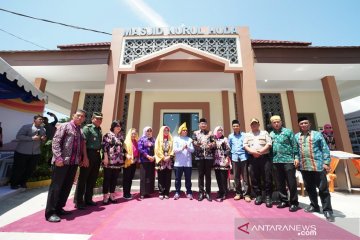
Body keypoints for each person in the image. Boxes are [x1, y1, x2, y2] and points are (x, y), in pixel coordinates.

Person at [45, 109, 88, 223]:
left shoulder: (80, 131)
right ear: (74, 115)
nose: (80, 118)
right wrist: (58, 157)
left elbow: (80, 146)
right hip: (62, 162)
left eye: (82, 117)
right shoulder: (64, 126)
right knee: (56, 187)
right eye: (78, 115)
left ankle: (59, 208)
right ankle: (50, 212)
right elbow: (56, 142)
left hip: (73, 163)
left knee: (67, 186)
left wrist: (81, 159)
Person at [295, 117, 335, 222]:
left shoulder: (317, 135)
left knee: (323, 189)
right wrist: (296, 159)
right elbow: (296, 151)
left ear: (309, 124)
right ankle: (314, 205)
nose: (303, 125)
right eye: (301, 123)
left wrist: (326, 163)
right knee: (310, 188)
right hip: (304, 167)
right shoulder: (297, 136)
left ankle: (327, 210)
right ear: (299, 125)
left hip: (318, 166)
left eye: (305, 123)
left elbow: (325, 149)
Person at [269, 115, 299, 212]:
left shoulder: (288, 132)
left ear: (281, 122)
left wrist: (296, 157)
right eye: (274, 122)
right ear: (271, 124)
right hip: (276, 161)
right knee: (280, 183)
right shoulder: (271, 134)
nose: (276, 124)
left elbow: (294, 145)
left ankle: (294, 202)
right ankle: (284, 200)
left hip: (288, 160)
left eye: (278, 122)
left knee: (291, 183)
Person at [74, 112, 103, 209]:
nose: (99, 120)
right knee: (83, 178)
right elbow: (83, 144)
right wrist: (85, 157)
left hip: (96, 155)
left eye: (100, 119)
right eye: (97, 118)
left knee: (92, 178)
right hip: (88, 154)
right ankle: (78, 201)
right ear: (92, 119)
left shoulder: (99, 129)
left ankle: (88, 199)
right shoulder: (87, 128)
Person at [10, 115, 46, 189]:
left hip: (35, 153)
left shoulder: (43, 129)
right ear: (34, 120)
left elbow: (43, 141)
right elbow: (18, 136)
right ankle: (14, 183)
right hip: (22, 152)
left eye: (42, 120)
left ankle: (23, 183)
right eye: (40, 119)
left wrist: (43, 139)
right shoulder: (26, 127)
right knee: (18, 169)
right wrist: (32, 138)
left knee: (30, 169)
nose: (41, 121)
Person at [243, 118, 273, 208]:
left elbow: (269, 144)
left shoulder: (265, 133)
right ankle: (258, 196)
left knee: (267, 177)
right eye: (252, 124)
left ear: (259, 124)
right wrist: (253, 152)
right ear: (250, 125)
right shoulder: (247, 135)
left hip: (264, 158)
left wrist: (259, 152)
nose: (254, 125)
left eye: (255, 123)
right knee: (254, 178)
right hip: (253, 158)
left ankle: (268, 197)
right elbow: (245, 145)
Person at [101, 120, 125, 204]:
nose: (119, 127)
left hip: (118, 161)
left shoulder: (121, 136)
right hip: (110, 160)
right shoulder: (108, 135)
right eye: (117, 125)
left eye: (120, 126)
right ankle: (105, 196)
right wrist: (105, 158)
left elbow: (122, 148)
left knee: (114, 179)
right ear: (113, 126)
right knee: (107, 178)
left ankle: (112, 195)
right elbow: (104, 147)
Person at [192, 118, 215, 202]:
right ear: (199, 125)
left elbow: (214, 142)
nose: (203, 125)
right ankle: (201, 193)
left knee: (208, 175)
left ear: (206, 125)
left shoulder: (210, 133)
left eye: (204, 124)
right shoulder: (195, 133)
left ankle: (208, 193)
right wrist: (199, 144)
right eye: (202, 124)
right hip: (199, 156)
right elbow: (193, 142)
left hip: (208, 157)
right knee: (200, 175)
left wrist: (210, 145)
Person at [228, 119, 251, 202]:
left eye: (237, 126)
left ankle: (246, 194)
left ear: (239, 126)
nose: (235, 127)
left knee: (245, 177)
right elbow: (229, 147)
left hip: (244, 157)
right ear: (232, 127)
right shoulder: (230, 136)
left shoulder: (244, 135)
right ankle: (238, 193)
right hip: (234, 158)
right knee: (236, 177)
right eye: (234, 126)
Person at [173, 122, 194, 200]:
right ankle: (177, 192)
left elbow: (192, 150)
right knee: (178, 179)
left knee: (188, 179)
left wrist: (187, 147)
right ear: (180, 131)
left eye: (186, 130)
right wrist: (182, 148)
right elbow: (174, 150)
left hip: (188, 163)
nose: (185, 131)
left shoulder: (189, 139)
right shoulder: (176, 139)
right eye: (183, 130)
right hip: (178, 163)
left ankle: (189, 192)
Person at [155, 126, 174, 200]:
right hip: (161, 161)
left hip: (169, 161)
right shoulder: (158, 139)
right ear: (161, 131)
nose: (166, 131)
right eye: (164, 130)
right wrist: (163, 157)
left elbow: (173, 149)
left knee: (168, 177)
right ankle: (161, 192)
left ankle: (167, 192)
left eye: (167, 130)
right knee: (161, 177)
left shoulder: (171, 139)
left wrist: (169, 157)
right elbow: (156, 149)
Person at [213, 126, 231, 201]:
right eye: (218, 130)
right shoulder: (213, 139)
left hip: (223, 160)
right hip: (216, 161)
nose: (220, 131)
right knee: (218, 178)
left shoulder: (225, 139)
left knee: (224, 178)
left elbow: (228, 149)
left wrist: (227, 157)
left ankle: (224, 192)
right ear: (216, 131)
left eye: (221, 130)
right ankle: (220, 191)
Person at [138, 126, 156, 199]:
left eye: (150, 131)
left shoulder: (153, 140)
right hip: (144, 161)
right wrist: (147, 156)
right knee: (143, 177)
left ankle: (148, 192)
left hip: (152, 161)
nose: (149, 132)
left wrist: (154, 157)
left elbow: (156, 149)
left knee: (149, 176)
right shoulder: (141, 139)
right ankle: (142, 193)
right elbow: (140, 149)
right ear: (145, 132)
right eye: (147, 131)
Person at [123, 128, 139, 200]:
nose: (133, 135)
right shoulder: (126, 142)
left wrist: (135, 160)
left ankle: (128, 193)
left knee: (130, 178)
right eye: (132, 133)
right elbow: (123, 151)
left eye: (135, 133)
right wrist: (127, 155)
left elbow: (137, 153)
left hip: (134, 163)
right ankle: (125, 194)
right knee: (126, 178)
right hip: (127, 162)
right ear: (129, 134)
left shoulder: (136, 142)